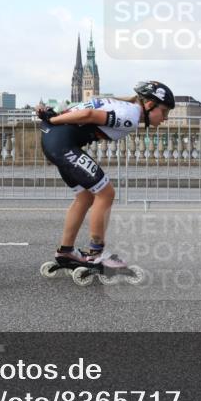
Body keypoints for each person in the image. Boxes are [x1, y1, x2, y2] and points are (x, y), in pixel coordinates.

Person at [37, 81, 174, 285]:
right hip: (62, 143)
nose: (165, 118)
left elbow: (86, 106)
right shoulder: (131, 115)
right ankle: (96, 253)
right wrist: (55, 118)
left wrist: (53, 116)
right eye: (164, 112)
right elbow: (89, 115)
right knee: (106, 193)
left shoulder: (125, 106)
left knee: (84, 197)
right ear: (149, 105)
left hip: (55, 140)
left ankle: (66, 251)